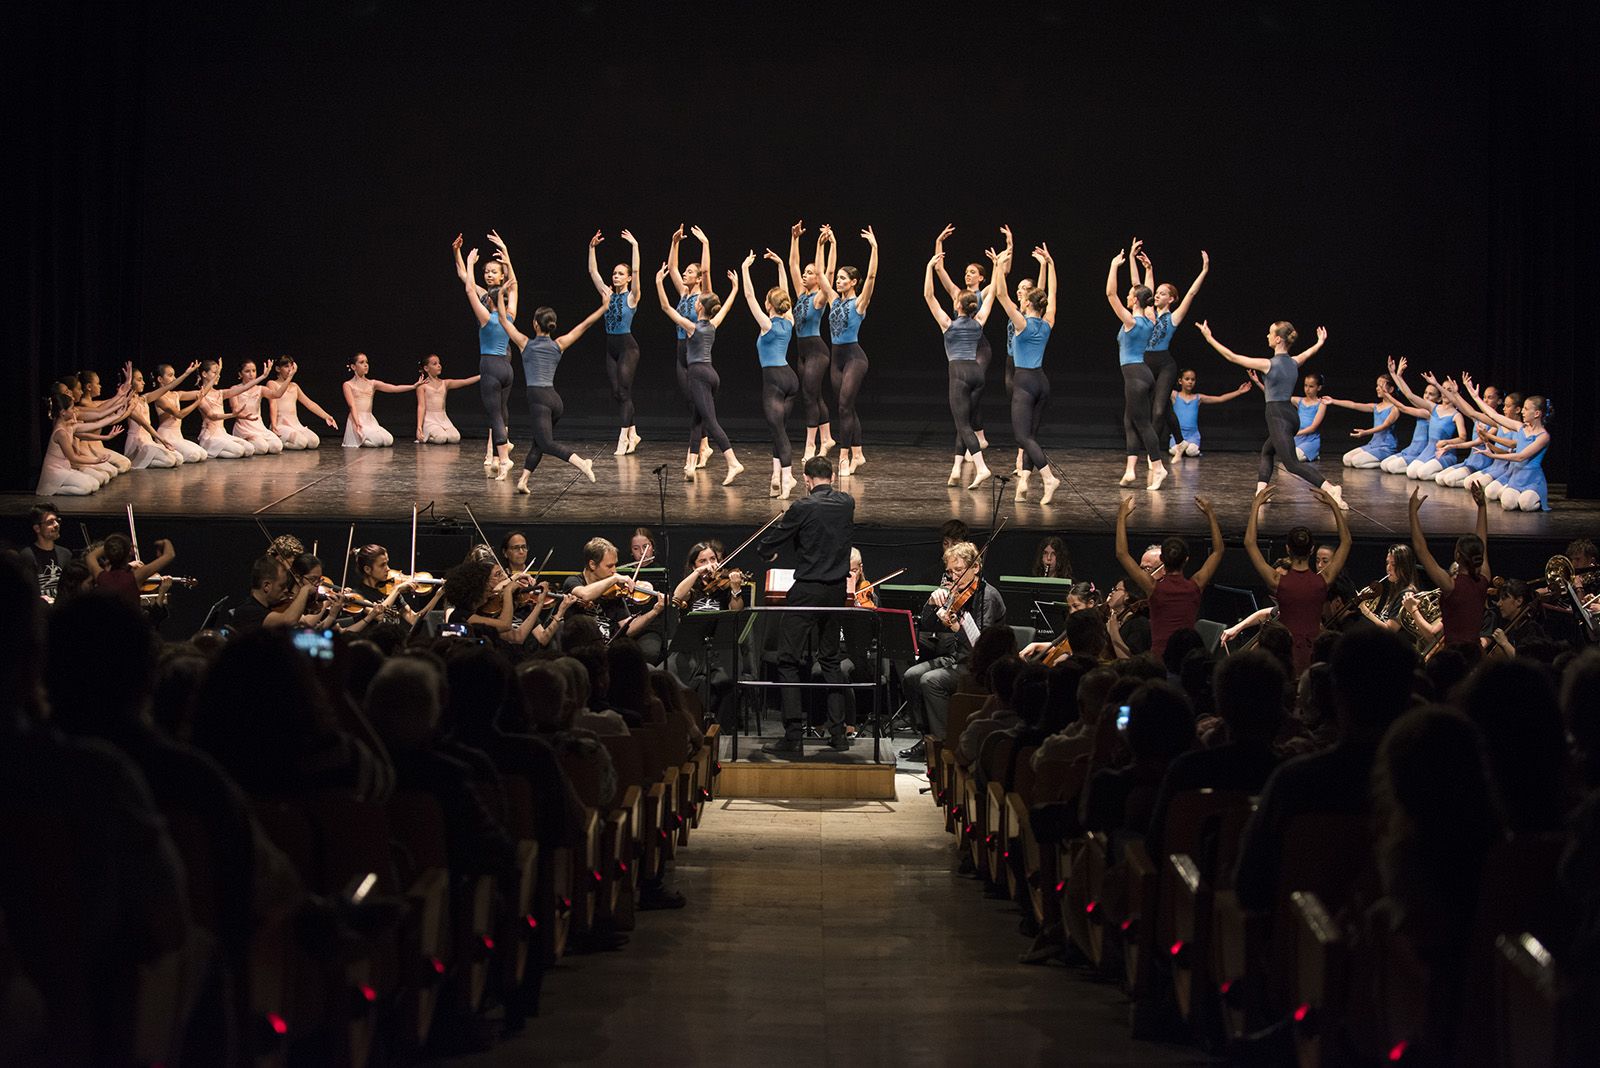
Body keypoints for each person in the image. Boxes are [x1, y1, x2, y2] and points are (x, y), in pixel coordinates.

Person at [1232, 625, 1416, 912]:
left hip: (1295, 942)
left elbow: (1251, 886)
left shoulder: (1294, 782)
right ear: (1408, 697)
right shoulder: (1431, 790)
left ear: (1335, 695)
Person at [756, 456, 856, 751]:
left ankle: (794, 736)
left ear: (806, 479)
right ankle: (838, 735)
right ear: (833, 476)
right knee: (830, 659)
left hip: (808, 590)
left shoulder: (803, 506)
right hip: (836, 591)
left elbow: (780, 536)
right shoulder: (847, 503)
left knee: (788, 659)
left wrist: (765, 551)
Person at [1196, 318, 1347, 508]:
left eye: (1270, 332)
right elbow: (1309, 352)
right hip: (1291, 416)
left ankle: (1331, 489)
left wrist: (1209, 338)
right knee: (1267, 451)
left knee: (1291, 464)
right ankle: (1261, 492)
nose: (1267, 335)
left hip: (1278, 416)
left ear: (1278, 340)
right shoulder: (1293, 361)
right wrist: (1319, 342)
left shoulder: (1268, 364)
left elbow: (1232, 357)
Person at [900, 539, 1007, 756]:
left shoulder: (988, 596)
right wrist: (931, 603)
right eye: (950, 572)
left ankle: (943, 743)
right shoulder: (954, 591)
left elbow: (982, 646)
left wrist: (957, 627)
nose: (953, 577)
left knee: (931, 680)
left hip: (982, 666)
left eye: (959, 570)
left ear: (975, 567)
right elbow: (928, 625)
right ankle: (926, 736)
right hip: (958, 658)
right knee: (912, 675)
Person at [495, 282, 604, 493]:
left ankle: (582, 463)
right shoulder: (559, 344)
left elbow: (502, 319)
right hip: (555, 400)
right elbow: (585, 325)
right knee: (538, 441)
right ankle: (523, 481)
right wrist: (604, 307)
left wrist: (500, 295)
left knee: (545, 443)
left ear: (536, 324)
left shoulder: (525, 343)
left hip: (539, 399)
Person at [1243, 484, 1351, 675]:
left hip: (1284, 651)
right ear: (1311, 550)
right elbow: (1346, 541)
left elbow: (1249, 543)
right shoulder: (1323, 580)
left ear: (1287, 549)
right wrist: (1333, 506)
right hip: (1314, 651)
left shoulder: (1277, 580)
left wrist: (1255, 506)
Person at [655, 261, 744, 485]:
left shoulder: (691, 327)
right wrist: (734, 289)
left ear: (699, 308)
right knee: (697, 419)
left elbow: (666, 308)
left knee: (711, 422)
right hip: (712, 374)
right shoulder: (713, 324)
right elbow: (727, 307)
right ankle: (691, 465)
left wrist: (658, 283)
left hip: (698, 375)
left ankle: (733, 462)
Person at [992, 243, 1063, 502]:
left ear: (1029, 303)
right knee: (1031, 436)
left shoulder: (1021, 323)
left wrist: (999, 266)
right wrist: (1051, 264)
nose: (1019, 300)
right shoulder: (1048, 321)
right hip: (1042, 382)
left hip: (1024, 382)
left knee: (1022, 436)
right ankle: (1024, 481)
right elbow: (1052, 292)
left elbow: (1000, 295)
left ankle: (1048, 478)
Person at [1114, 495, 1224, 661]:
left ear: (1163, 561)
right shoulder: (1195, 585)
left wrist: (1122, 517)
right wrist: (1210, 514)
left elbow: (1122, 553)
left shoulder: (1153, 587)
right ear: (1186, 559)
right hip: (1187, 659)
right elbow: (1218, 551)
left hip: (1161, 658)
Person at [924, 250, 997, 489]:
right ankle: (956, 469)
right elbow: (994, 292)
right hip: (976, 371)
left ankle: (981, 467)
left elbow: (929, 295)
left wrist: (928, 269)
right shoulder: (980, 321)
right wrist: (996, 267)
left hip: (959, 373)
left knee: (963, 425)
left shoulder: (948, 324)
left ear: (958, 305)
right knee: (963, 422)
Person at [815, 224, 879, 477]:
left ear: (853, 282)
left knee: (843, 405)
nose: (838, 281)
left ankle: (844, 456)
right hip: (836, 357)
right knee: (846, 407)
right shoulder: (832, 299)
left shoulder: (859, 303)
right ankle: (859, 453)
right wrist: (825, 244)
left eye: (843, 278)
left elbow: (872, 278)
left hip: (855, 357)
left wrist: (874, 248)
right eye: (838, 278)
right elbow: (820, 273)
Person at [452, 230, 519, 474]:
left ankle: (499, 452)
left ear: (502, 275)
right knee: (496, 409)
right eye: (486, 271)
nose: (490, 274)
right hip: (499, 355)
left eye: (494, 271)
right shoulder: (497, 301)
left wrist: (504, 257)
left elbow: (469, 288)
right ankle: (495, 451)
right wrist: (457, 252)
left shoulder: (492, 300)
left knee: (497, 409)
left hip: (496, 357)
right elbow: (465, 278)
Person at [1134, 242, 1210, 453]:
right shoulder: (1148, 311)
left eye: (1162, 293)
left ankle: (1152, 455)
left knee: (1159, 412)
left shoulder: (1174, 317)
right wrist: (1149, 269)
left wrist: (1203, 271)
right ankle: (1179, 440)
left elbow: (1192, 294)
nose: (1157, 295)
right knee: (1162, 409)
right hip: (1146, 363)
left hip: (1165, 365)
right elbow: (1144, 289)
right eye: (1157, 293)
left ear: (1172, 299)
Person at [1107, 248, 1169, 489]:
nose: (1128, 295)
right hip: (1140, 373)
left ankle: (1158, 467)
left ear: (1134, 300)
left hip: (1135, 375)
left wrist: (1114, 266)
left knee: (1142, 424)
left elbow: (1110, 293)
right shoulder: (1150, 318)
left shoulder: (1131, 321)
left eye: (1131, 294)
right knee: (1129, 420)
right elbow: (1148, 294)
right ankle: (1131, 471)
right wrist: (1149, 270)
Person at [741, 250, 800, 499]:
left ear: (768, 305)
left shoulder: (767, 324)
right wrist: (779, 266)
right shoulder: (789, 320)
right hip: (790, 378)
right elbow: (784, 293)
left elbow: (748, 295)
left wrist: (745, 269)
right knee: (779, 431)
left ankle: (788, 480)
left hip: (774, 381)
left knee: (779, 433)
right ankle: (776, 477)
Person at [1409, 483, 1493, 648]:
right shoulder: (1484, 579)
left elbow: (1420, 549)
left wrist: (1412, 513)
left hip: (1454, 657)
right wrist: (1482, 506)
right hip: (1475, 655)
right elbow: (1482, 542)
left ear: (1457, 556)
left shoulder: (1451, 586)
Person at [584, 229, 645, 457]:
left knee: (625, 391)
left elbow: (637, 270)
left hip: (628, 347)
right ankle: (634, 433)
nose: (616, 276)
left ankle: (623, 438)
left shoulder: (632, 296)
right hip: (611, 347)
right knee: (618, 393)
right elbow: (593, 271)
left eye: (620, 274)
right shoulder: (608, 294)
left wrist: (635, 245)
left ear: (628, 278)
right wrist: (591, 248)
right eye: (614, 273)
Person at [562, 537, 666, 646]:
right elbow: (585, 595)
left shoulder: (614, 591)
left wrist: (655, 611)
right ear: (592, 564)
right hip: (579, 649)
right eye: (609, 566)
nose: (614, 571)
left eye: (615, 565)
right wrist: (614, 578)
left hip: (607, 650)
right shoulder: (573, 581)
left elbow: (627, 629)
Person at [788, 220, 834, 460]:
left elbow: (827, 272)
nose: (805, 276)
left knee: (808, 395)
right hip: (802, 351)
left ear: (818, 278)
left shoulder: (819, 298)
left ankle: (810, 446)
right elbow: (793, 264)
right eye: (805, 273)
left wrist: (820, 246)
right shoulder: (801, 295)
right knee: (815, 395)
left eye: (810, 273)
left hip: (817, 350)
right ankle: (827, 438)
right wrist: (794, 238)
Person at [1386, 361, 1467, 480]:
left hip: (1444, 452)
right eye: (1443, 389)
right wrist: (1397, 375)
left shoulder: (1456, 415)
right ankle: (1438, 474)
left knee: (1422, 474)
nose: (1445, 393)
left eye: (1449, 390)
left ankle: (1443, 476)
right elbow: (1410, 396)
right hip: (1429, 449)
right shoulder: (1433, 408)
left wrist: (1446, 442)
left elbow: (1463, 437)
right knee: (1411, 473)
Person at [1165, 368, 1251, 460]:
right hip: (1177, 434)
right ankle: (1181, 447)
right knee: (1173, 451)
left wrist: (1239, 392)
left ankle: (1186, 448)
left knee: (1191, 452)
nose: (1190, 382)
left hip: (1192, 435)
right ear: (1180, 381)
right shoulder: (1174, 395)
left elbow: (1220, 398)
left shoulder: (1198, 398)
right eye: (1187, 379)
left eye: (1192, 379)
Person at [341, 352, 420, 448]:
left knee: (388, 440)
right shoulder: (348, 385)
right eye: (361, 362)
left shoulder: (372, 383)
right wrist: (357, 423)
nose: (366, 365)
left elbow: (393, 388)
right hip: (356, 419)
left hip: (369, 420)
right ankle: (362, 439)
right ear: (353, 367)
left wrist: (413, 386)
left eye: (366, 362)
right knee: (377, 442)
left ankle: (367, 438)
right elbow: (352, 405)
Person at [1325, 372, 1402, 468]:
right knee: (1347, 459)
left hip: (1385, 447)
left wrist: (1365, 432)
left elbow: (1384, 426)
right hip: (1373, 444)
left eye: (1381, 386)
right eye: (1377, 385)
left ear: (1390, 389)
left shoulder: (1394, 409)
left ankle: (1384, 462)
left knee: (1356, 462)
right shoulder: (1376, 407)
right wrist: (1333, 401)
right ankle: (1380, 461)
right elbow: (1354, 405)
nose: (1377, 388)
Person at [227, 554, 318, 632]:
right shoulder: (248, 612)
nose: (286, 590)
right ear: (266, 586)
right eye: (282, 586)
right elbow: (288, 621)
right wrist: (305, 590)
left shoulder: (266, 608)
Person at [266, 356, 339, 449]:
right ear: (278, 369)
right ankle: (279, 442)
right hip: (281, 425)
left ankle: (290, 439)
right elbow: (273, 405)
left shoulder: (294, 386)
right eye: (286, 367)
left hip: (295, 425)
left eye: (291, 367)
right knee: (301, 443)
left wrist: (326, 416)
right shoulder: (272, 384)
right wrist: (273, 425)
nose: (289, 370)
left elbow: (309, 403)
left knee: (314, 441)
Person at [150, 363, 212, 464]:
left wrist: (216, 375)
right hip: (166, 435)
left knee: (203, 454)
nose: (174, 378)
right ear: (160, 379)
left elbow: (202, 392)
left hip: (178, 436)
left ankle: (177, 455)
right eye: (170, 375)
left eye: (174, 375)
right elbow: (179, 414)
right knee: (194, 456)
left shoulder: (176, 394)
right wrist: (197, 402)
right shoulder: (159, 398)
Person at [413, 353, 479, 444]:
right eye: (434, 364)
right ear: (426, 368)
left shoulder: (445, 383)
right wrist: (419, 427)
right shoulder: (422, 386)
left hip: (443, 418)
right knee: (441, 438)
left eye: (439, 363)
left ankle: (438, 432)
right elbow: (421, 406)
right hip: (430, 419)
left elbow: (465, 382)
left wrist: (481, 376)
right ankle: (426, 435)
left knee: (455, 438)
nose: (439, 365)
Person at [228, 358, 290, 455]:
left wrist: (290, 377)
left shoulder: (260, 389)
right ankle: (243, 441)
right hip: (244, 427)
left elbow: (277, 394)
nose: (251, 374)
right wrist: (245, 416)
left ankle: (256, 442)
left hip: (258, 426)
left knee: (277, 447)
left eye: (254, 371)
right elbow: (235, 410)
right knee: (262, 448)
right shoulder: (235, 389)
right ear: (240, 374)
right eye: (247, 371)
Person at [17, 504, 74, 602]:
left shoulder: (65, 554)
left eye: (57, 521)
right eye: (50, 522)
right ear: (37, 528)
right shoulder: (27, 555)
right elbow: (23, 591)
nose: (56, 525)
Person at [1292, 371, 1328, 462]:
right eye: (1305, 385)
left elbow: (1313, 428)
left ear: (1318, 387)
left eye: (1311, 386)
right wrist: (1258, 382)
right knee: (1286, 454)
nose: (1307, 389)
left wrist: (1294, 434)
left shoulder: (1321, 404)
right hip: (1297, 438)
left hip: (1310, 440)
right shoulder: (1299, 401)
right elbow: (1277, 397)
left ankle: (1312, 453)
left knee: (1294, 456)